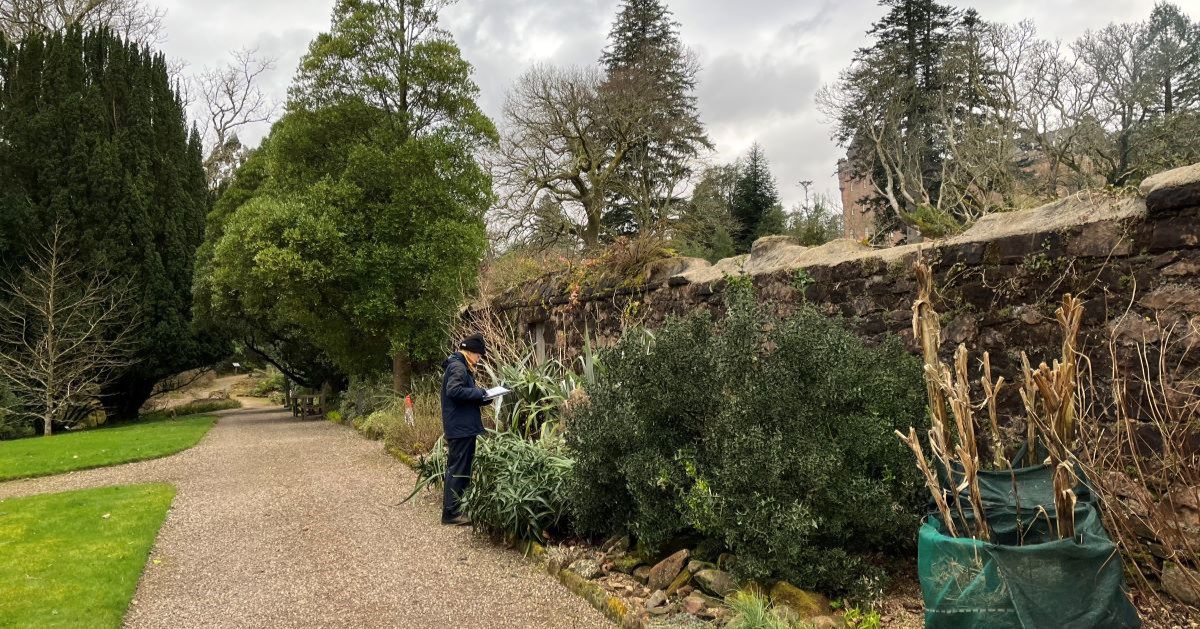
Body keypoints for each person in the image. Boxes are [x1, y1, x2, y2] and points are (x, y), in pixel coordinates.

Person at [440, 333, 489, 525]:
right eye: (478, 355)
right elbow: (454, 391)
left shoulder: (458, 365)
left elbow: (464, 396)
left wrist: (485, 396)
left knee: (460, 468)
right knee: (458, 469)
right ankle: (451, 514)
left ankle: (456, 509)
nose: (479, 359)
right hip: (460, 428)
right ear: (469, 352)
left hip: (462, 426)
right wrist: (479, 392)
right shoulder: (458, 367)